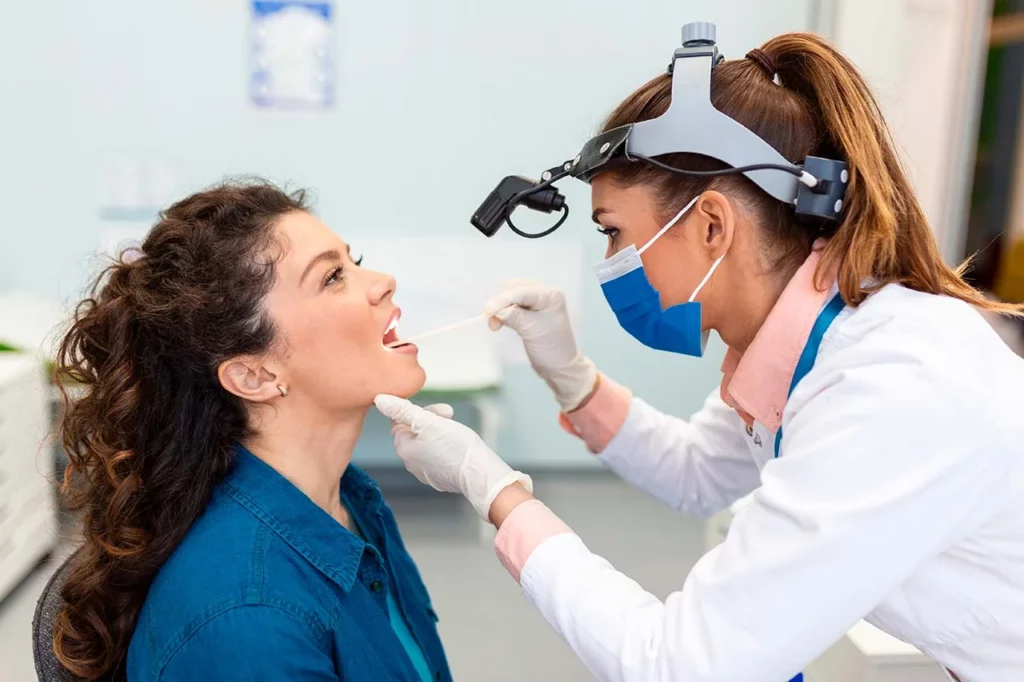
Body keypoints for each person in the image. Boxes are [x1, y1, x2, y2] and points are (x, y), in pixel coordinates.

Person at [373, 32, 1024, 682]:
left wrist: (497, 494)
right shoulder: (809, 340)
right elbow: (697, 472)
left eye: (615, 234)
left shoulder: (890, 386)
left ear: (712, 225)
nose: (610, 265)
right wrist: (569, 376)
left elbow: (683, 667)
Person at [52, 181, 452, 682]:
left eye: (354, 261)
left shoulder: (349, 502)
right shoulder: (248, 620)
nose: (383, 281)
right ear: (255, 376)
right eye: (332, 277)